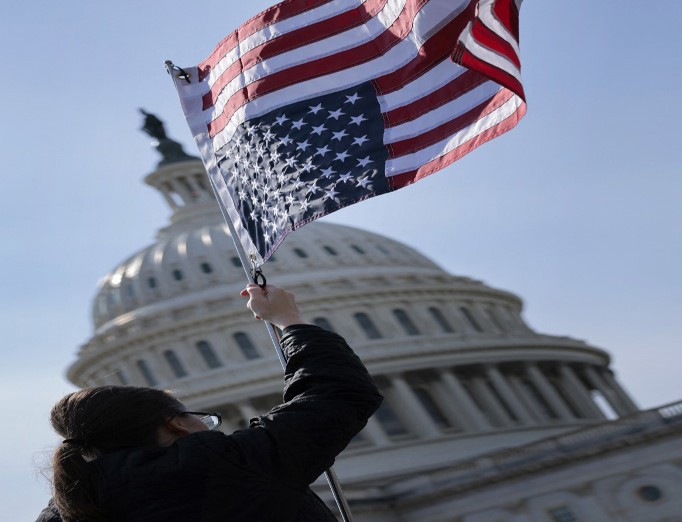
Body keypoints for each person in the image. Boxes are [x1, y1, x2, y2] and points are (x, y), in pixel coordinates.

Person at [37, 284, 382, 521]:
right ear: (176, 423)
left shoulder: (66, 511)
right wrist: (289, 320)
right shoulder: (226, 465)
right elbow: (337, 392)